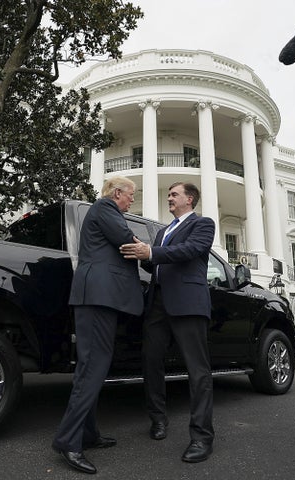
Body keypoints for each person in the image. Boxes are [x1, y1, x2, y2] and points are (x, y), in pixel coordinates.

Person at [51, 176, 144, 474]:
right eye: (131, 195)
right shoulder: (106, 208)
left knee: (91, 367)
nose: (132, 200)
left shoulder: (105, 210)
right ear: (117, 193)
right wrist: (146, 248)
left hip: (99, 297)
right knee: (93, 367)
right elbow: (128, 242)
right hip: (98, 297)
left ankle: (88, 434)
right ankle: (68, 440)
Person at [120, 182, 215, 463]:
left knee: (198, 371)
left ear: (189, 199)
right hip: (157, 305)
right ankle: (158, 419)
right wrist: (141, 253)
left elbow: (190, 251)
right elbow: (155, 264)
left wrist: (151, 253)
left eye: (174, 194)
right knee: (151, 362)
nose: (169, 198)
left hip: (188, 303)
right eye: (169, 194)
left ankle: (201, 438)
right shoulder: (163, 231)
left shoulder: (203, 224)